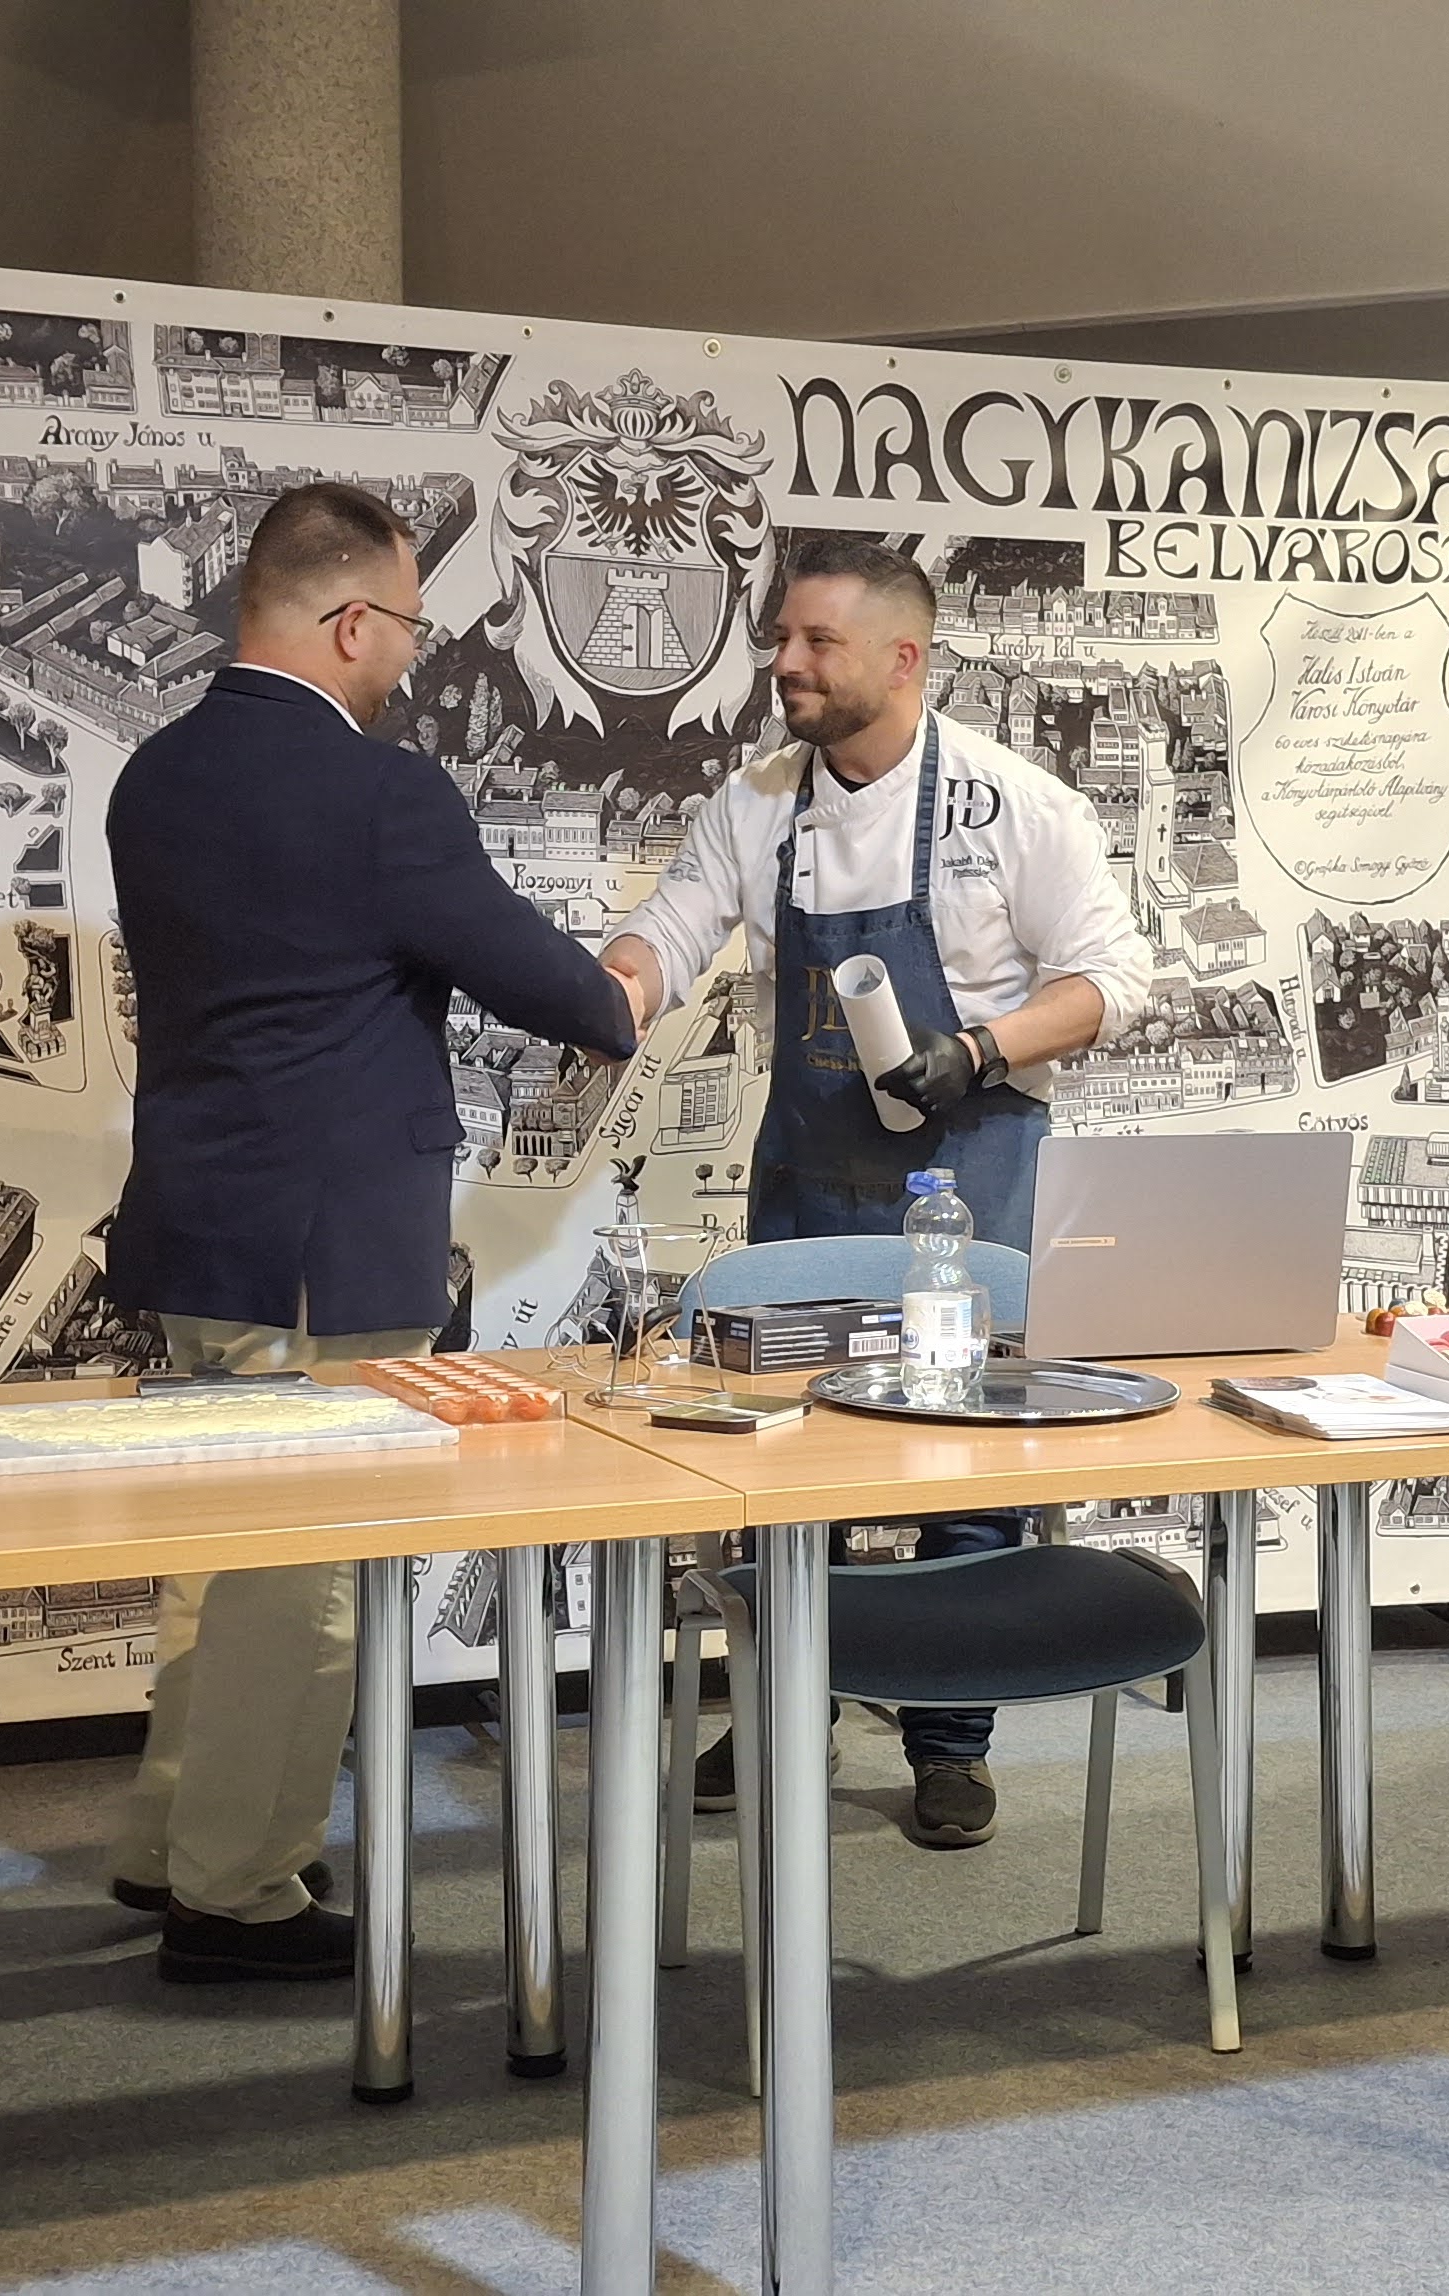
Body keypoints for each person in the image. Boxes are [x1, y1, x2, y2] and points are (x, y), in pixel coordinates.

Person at [102, 482, 642, 1981]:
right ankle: (234, 1894)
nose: (409, 655)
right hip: (322, 1256)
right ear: (350, 623)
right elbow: (548, 984)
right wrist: (621, 991)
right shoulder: (380, 793)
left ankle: (171, 1840)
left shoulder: (153, 774)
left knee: (220, 1554)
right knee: (311, 1578)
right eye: (405, 625)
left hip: (200, 1229)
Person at [601, 535, 1150, 1847]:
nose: (783, 663)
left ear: (904, 659)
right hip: (806, 1180)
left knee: (966, 1467)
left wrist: (982, 1049)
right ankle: (783, 1704)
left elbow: (1113, 979)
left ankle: (953, 1737)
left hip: (970, 1186)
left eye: (815, 643)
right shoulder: (756, 803)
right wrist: (607, 988)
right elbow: (668, 933)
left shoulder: (1014, 805)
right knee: (787, 1462)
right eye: (782, 640)